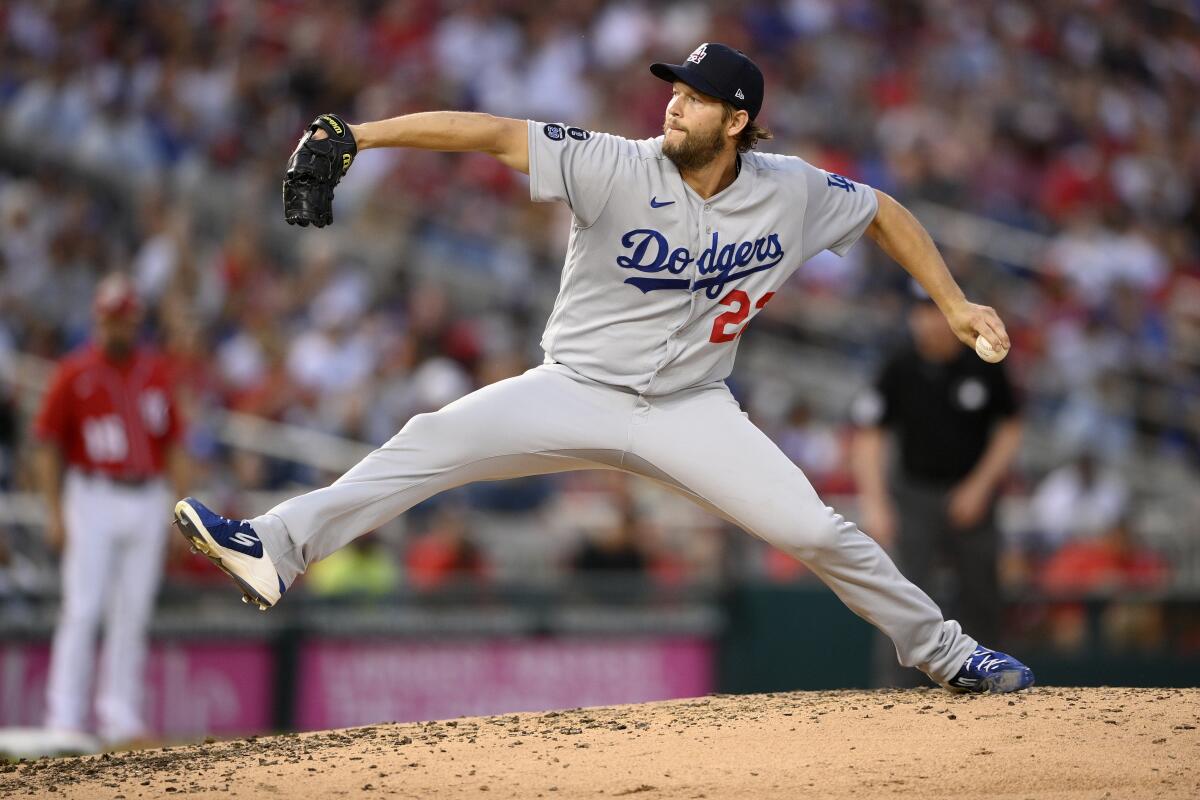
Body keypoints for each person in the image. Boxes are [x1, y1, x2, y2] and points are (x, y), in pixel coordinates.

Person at [176, 43, 1033, 693]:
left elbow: (882, 211)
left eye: (697, 100)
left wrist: (953, 302)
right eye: (675, 90)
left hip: (692, 407)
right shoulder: (616, 163)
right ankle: (274, 547)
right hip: (574, 389)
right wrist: (362, 134)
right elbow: (490, 135)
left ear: (736, 122)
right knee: (428, 439)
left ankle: (948, 653)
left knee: (817, 531)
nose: (676, 106)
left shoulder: (792, 190)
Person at [33, 273, 189, 745]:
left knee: (133, 610)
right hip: (93, 494)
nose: (119, 328)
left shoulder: (155, 371)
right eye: (112, 320)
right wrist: (56, 511)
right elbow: (45, 444)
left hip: (146, 494)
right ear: (98, 320)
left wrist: (180, 513)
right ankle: (64, 717)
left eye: (126, 319)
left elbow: (175, 444)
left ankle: (119, 714)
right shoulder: (74, 372)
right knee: (83, 607)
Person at [851, 292, 1024, 684]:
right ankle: (896, 696)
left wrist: (980, 486)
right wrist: (874, 502)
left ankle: (992, 679)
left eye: (935, 311)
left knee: (982, 593)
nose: (928, 322)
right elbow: (869, 436)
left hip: (971, 495)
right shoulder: (899, 363)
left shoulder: (982, 361)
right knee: (901, 595)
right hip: (913, 495)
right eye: (920, 312)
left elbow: (1010, 428)